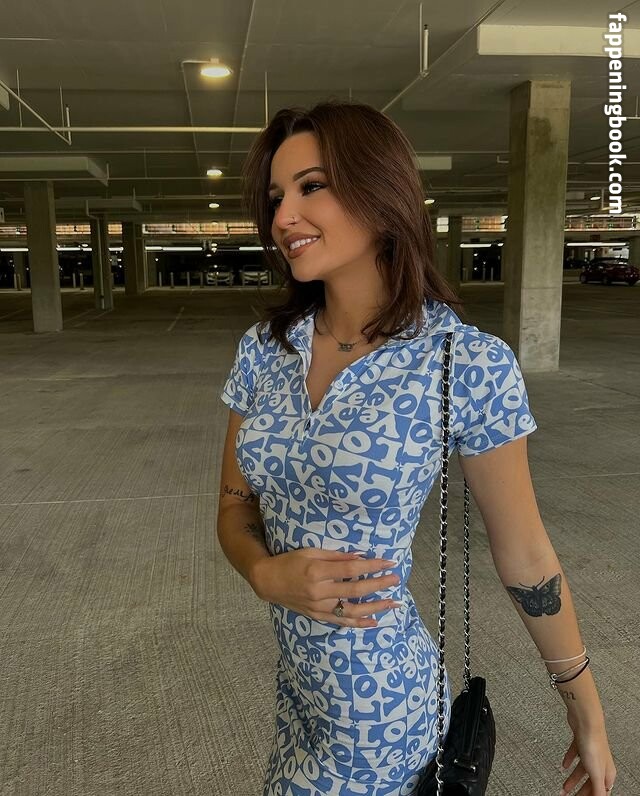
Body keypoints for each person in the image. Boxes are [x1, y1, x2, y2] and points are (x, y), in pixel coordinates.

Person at [216, 101, 616, 796]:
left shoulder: (465, 362)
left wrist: (585, 706)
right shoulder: (264, 351)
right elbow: (232, 505)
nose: (284, 216)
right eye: (276, 197)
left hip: (382, 708)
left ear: (381, 193)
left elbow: (526, 555)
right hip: (298, 693)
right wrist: (264, 574)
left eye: (312, 186)